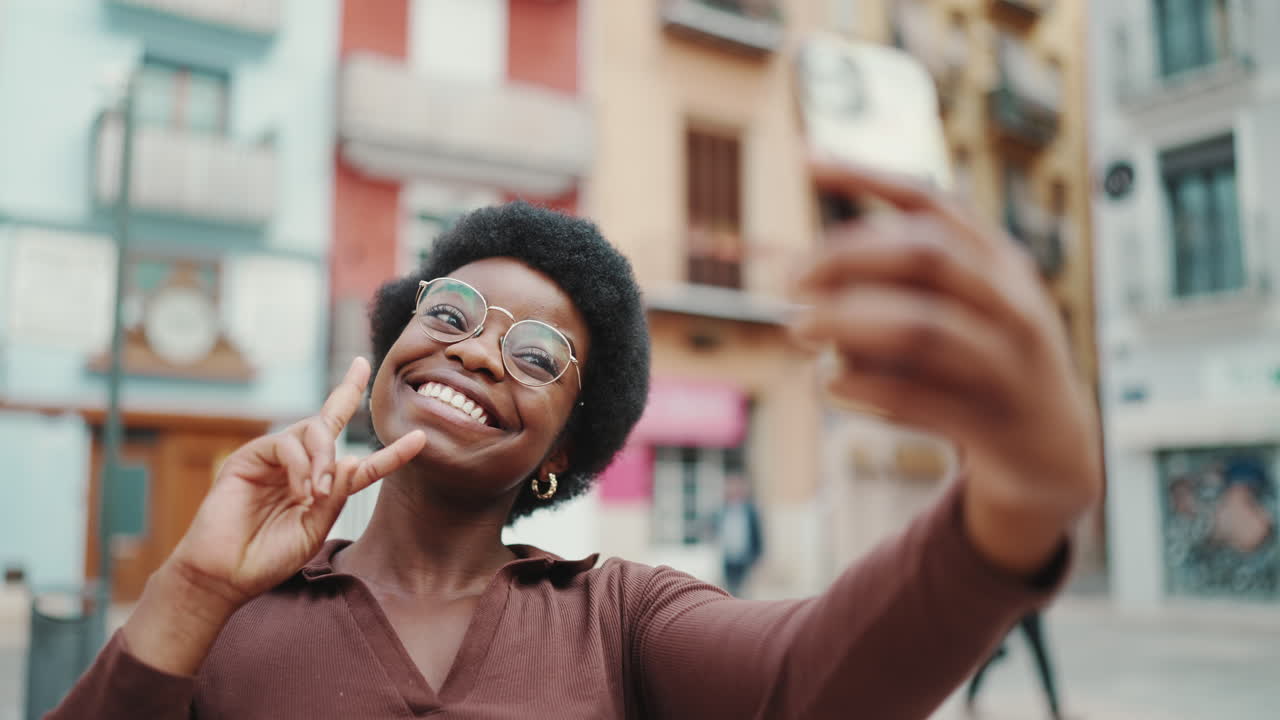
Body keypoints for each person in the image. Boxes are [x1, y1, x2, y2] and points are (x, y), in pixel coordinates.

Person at [49, 163, 1101, 719]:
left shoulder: (621, 621)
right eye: (450, 313)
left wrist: (1012, 503)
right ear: (391, 350)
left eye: (538, 355)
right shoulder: (229, 615)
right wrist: (192, 590)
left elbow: (806, 681)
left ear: (564, 449)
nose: (476, 352)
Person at [965, 610, 1062, 719]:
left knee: (1039, 654)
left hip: (1022, 607)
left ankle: (1054, 707)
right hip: (1015, 606)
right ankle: (970, 697)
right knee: (993, 650)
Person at [719, 473, 764, 597]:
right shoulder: (723, 509)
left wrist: (758, 555)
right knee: (729, 590)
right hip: (728, 557)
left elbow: (757, 534)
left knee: (743, 591)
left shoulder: (750, 510)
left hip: (745, 557)